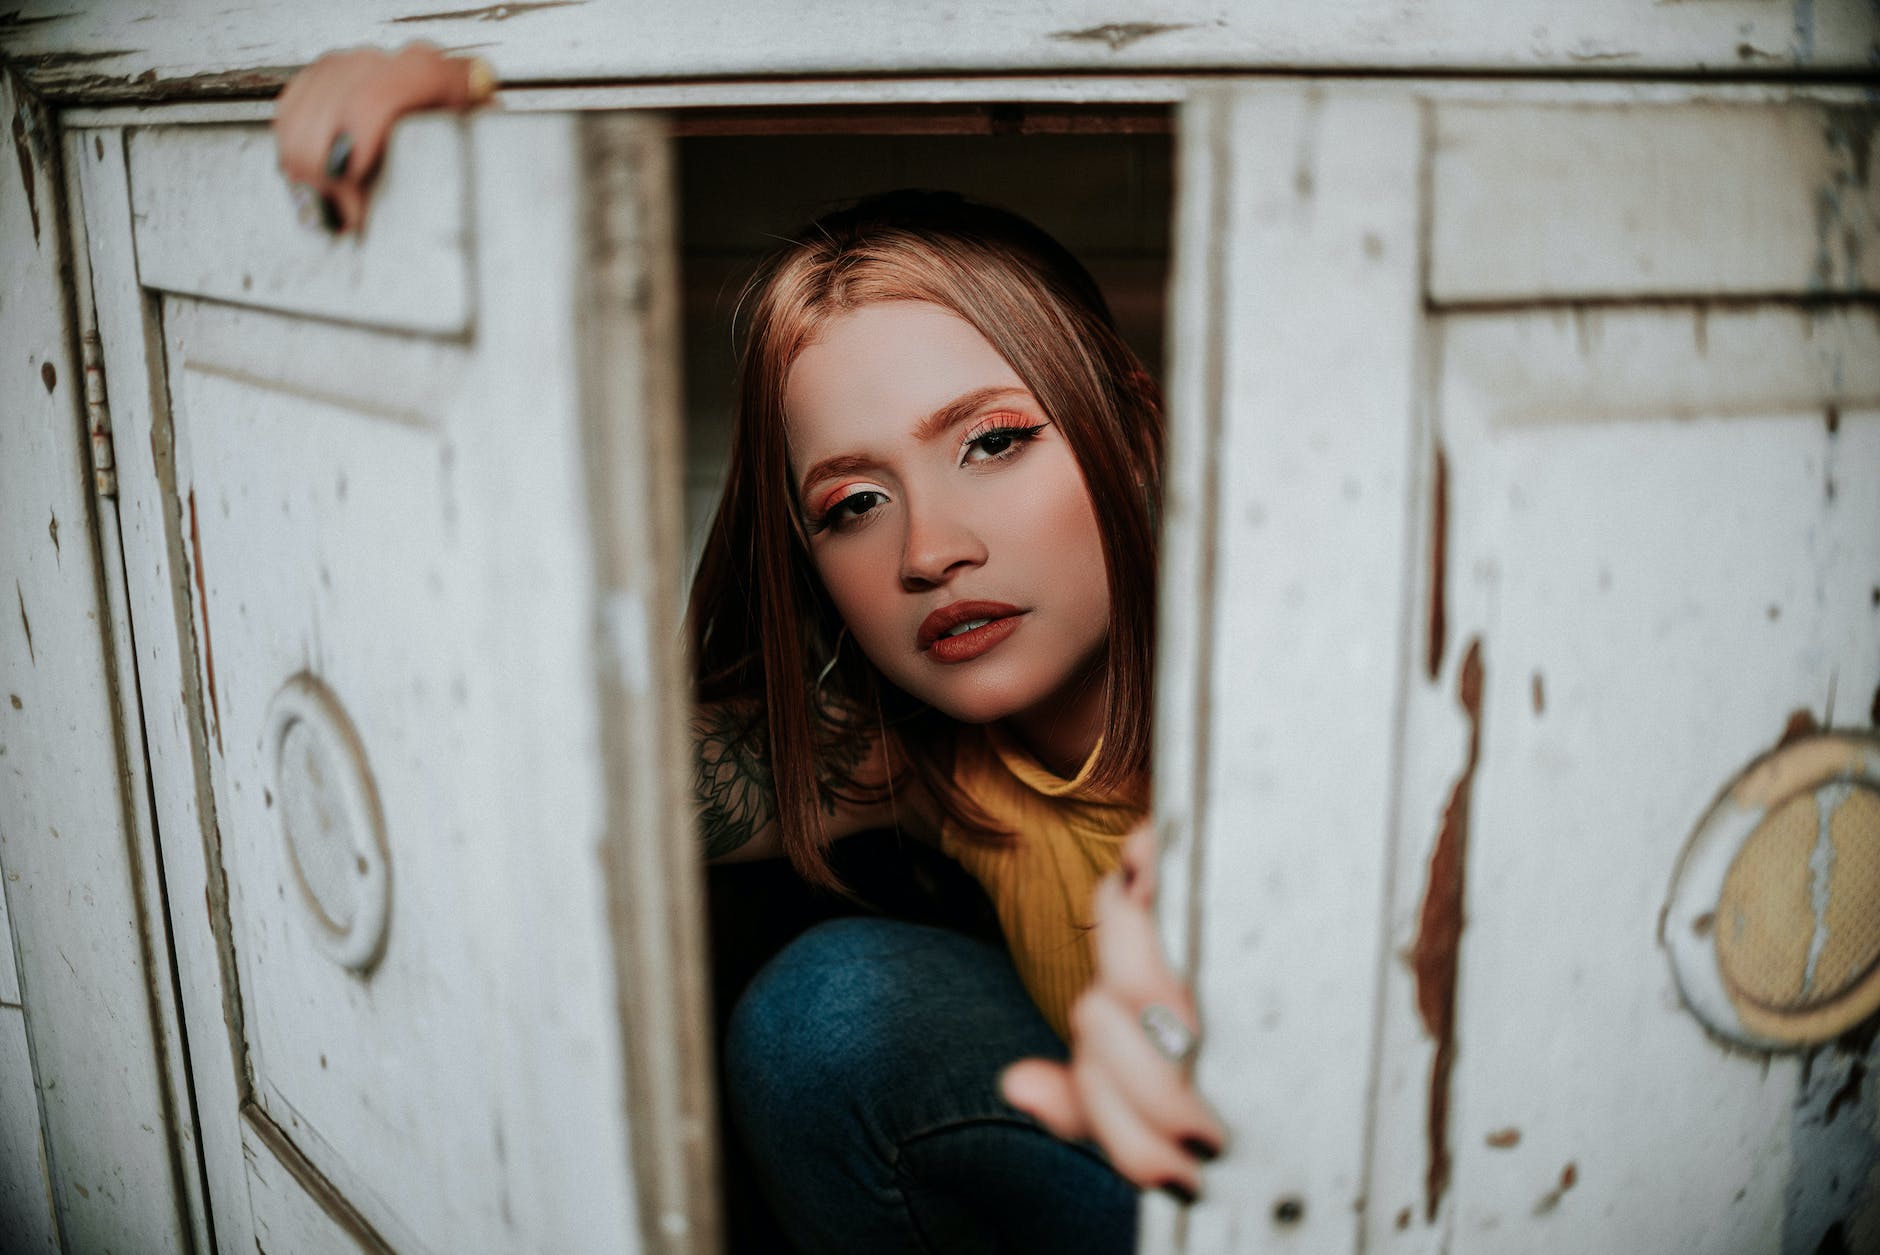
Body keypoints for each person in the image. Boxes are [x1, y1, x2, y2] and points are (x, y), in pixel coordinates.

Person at [275, 44, 1226, 1254]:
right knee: (824, 1011)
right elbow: (541, 771)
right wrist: (451, 142)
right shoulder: (926, 764)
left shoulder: (1286, 699)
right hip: (1113, 1173)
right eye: (850, 504)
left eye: (990, 442)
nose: (927, 549)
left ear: (1133, 429)